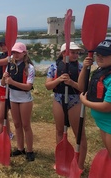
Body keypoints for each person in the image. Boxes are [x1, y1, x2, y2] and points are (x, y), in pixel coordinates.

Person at [45, 42, 86, 170]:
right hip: (59, 98)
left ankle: (79, 165)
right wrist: (59, 80)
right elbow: (48, 86)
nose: (76, 55)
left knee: (79, 133)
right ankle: (61, 160)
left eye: (77, 52)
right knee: (59, 130)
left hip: (75, 101)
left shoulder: (80, 68)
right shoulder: (53, 67)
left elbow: (82, 88)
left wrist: (71, 82)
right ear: (64, 53)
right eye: (72, 52)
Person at [1, 42, 35, 161]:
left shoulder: (29, 68)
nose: (15, 54)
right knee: (17, 124)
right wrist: (4, 77)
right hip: (13, 98)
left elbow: (28, 86)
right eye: (14, 52)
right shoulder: (10, 65)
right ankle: (20, 148)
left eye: (18, 52)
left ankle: (30, 150)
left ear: (24, 53)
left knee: (26, 125)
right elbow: (2, 83)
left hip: (25, 99)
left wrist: (12, 82)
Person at [79, 39, 111, 158]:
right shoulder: (101, 72)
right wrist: (84, 68)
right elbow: (82, 87)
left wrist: (85, 102)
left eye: (105, 55)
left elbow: (107, 106)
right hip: (103, 123)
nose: (99, 57)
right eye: (98, 54)